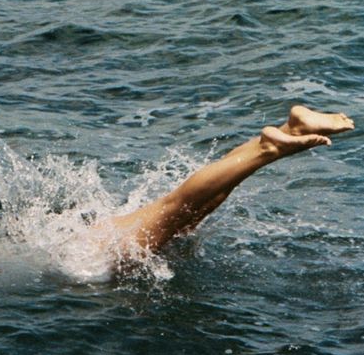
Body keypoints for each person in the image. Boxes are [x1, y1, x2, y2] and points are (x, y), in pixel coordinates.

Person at [98, 106, 354, 256]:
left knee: (175, 208)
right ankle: (293, 130)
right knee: (196, 209)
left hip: (88, 253)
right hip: (90, 240)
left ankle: (269, 149)